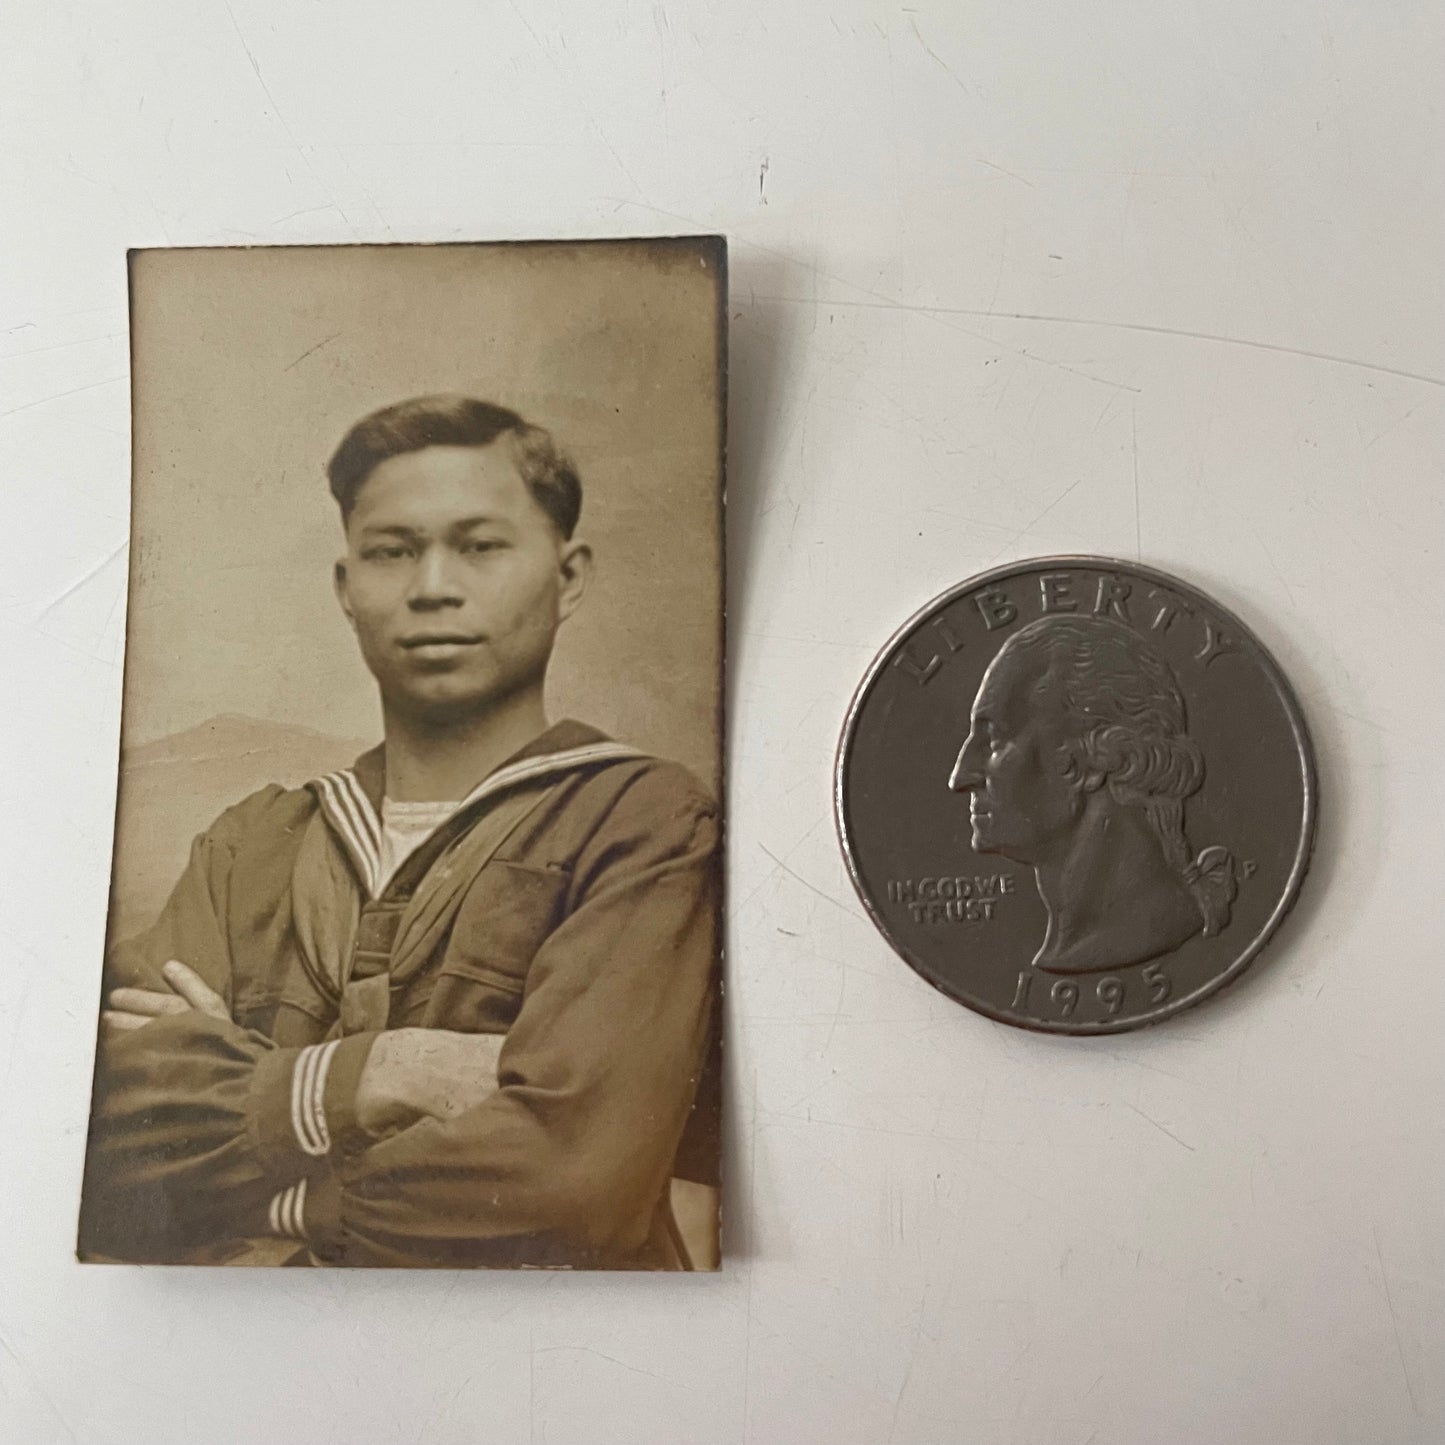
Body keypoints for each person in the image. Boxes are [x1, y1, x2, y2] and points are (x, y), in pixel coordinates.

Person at [80, 395, 721, 1269]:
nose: (432, 587)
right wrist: (393, 1069)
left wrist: (271, 1162)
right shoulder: (250, 846)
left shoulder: (642, 824)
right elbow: (107, 1151)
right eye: (392, 551)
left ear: (568, 577)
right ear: (347, 588)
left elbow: (575, 1186)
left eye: (481, 545)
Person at [948, 614, 1236, 975]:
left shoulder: (1149, 930)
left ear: (1094, 757)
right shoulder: (1078, 944)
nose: (959, 777)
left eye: (994, 739)